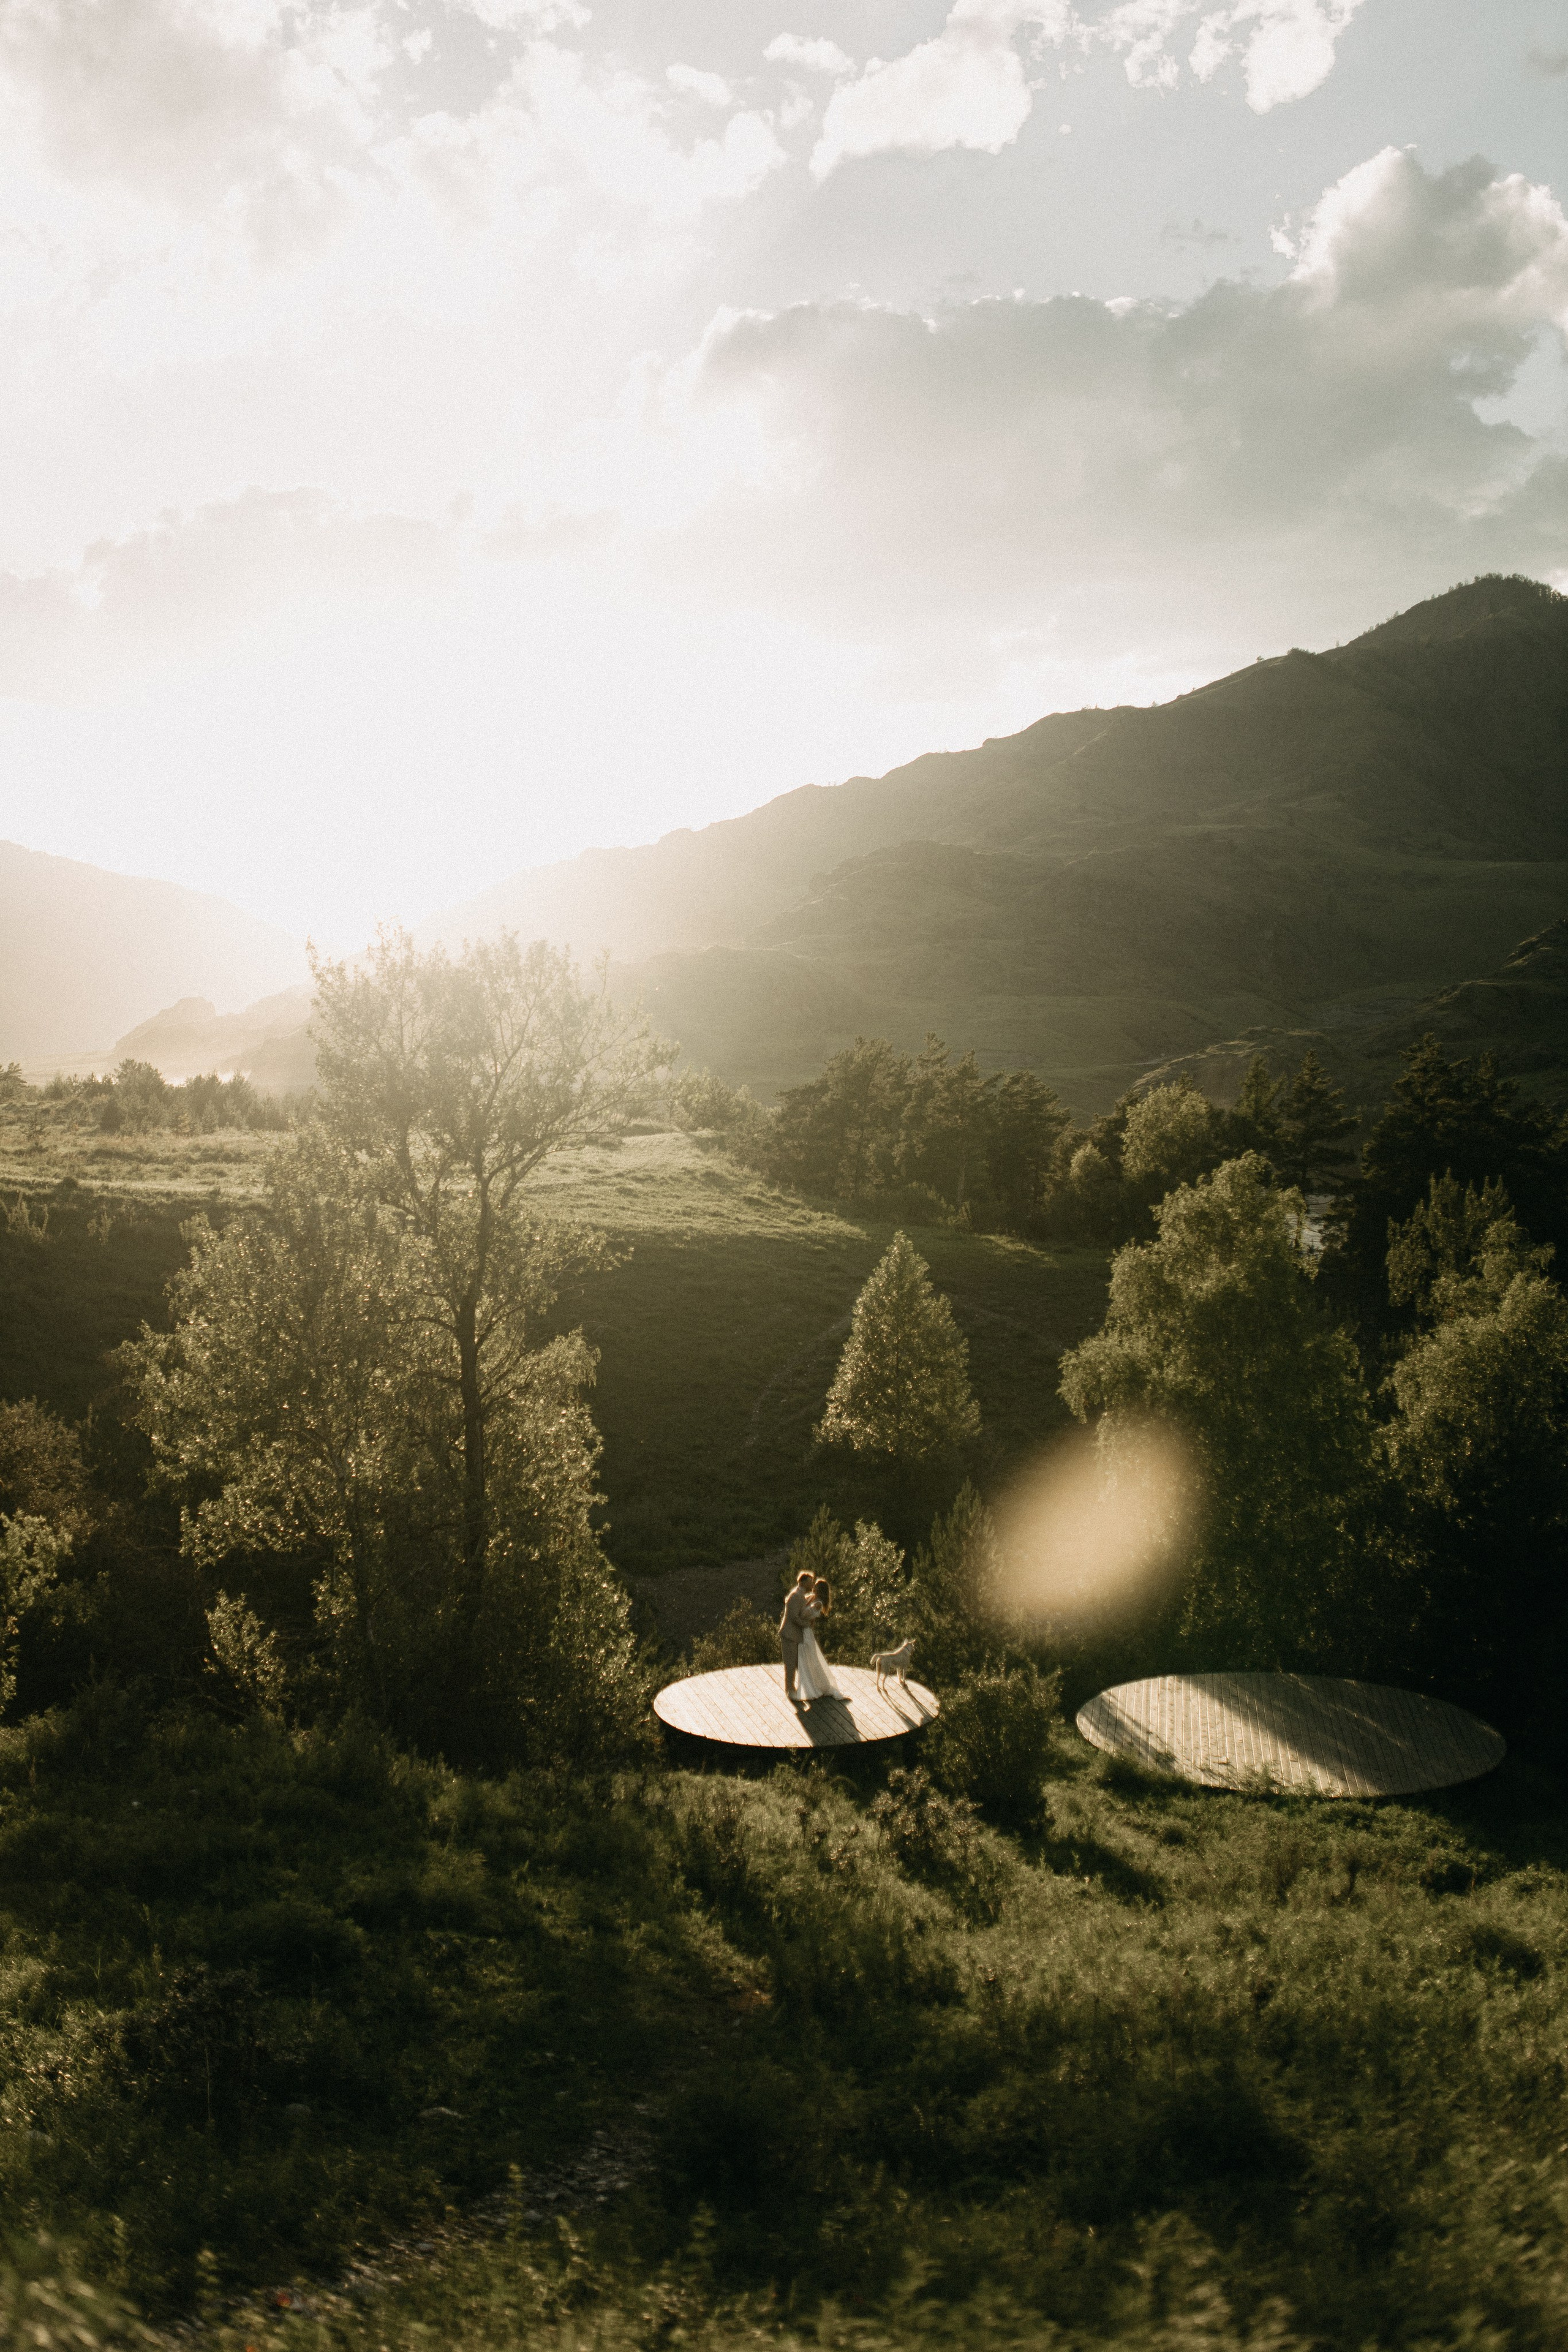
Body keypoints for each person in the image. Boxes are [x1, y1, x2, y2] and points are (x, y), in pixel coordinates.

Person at [796, 1576, 846, 1703]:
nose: (813, 1587)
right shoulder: (812, 1597)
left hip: (806, 1633)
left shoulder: (818, 1603)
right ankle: (809, 1687)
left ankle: (813, 1688)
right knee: (805, 1660)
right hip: (803, 1630)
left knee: (808, 1660)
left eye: (816, 1585)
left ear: (820, 1589)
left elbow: (804, 1614)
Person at [779, 1568, 816, 1703]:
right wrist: (807, 1624)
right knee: (790, 1663)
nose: (812, 1585)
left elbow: (804, 1602)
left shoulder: (800, 1595)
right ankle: (790, 1690)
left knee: (797, 1663)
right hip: (790, 1634)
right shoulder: (795, 1596)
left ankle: (795, 1689)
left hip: (795, 1635)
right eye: (811, 1582)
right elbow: (794, 1617)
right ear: (804, 1581)